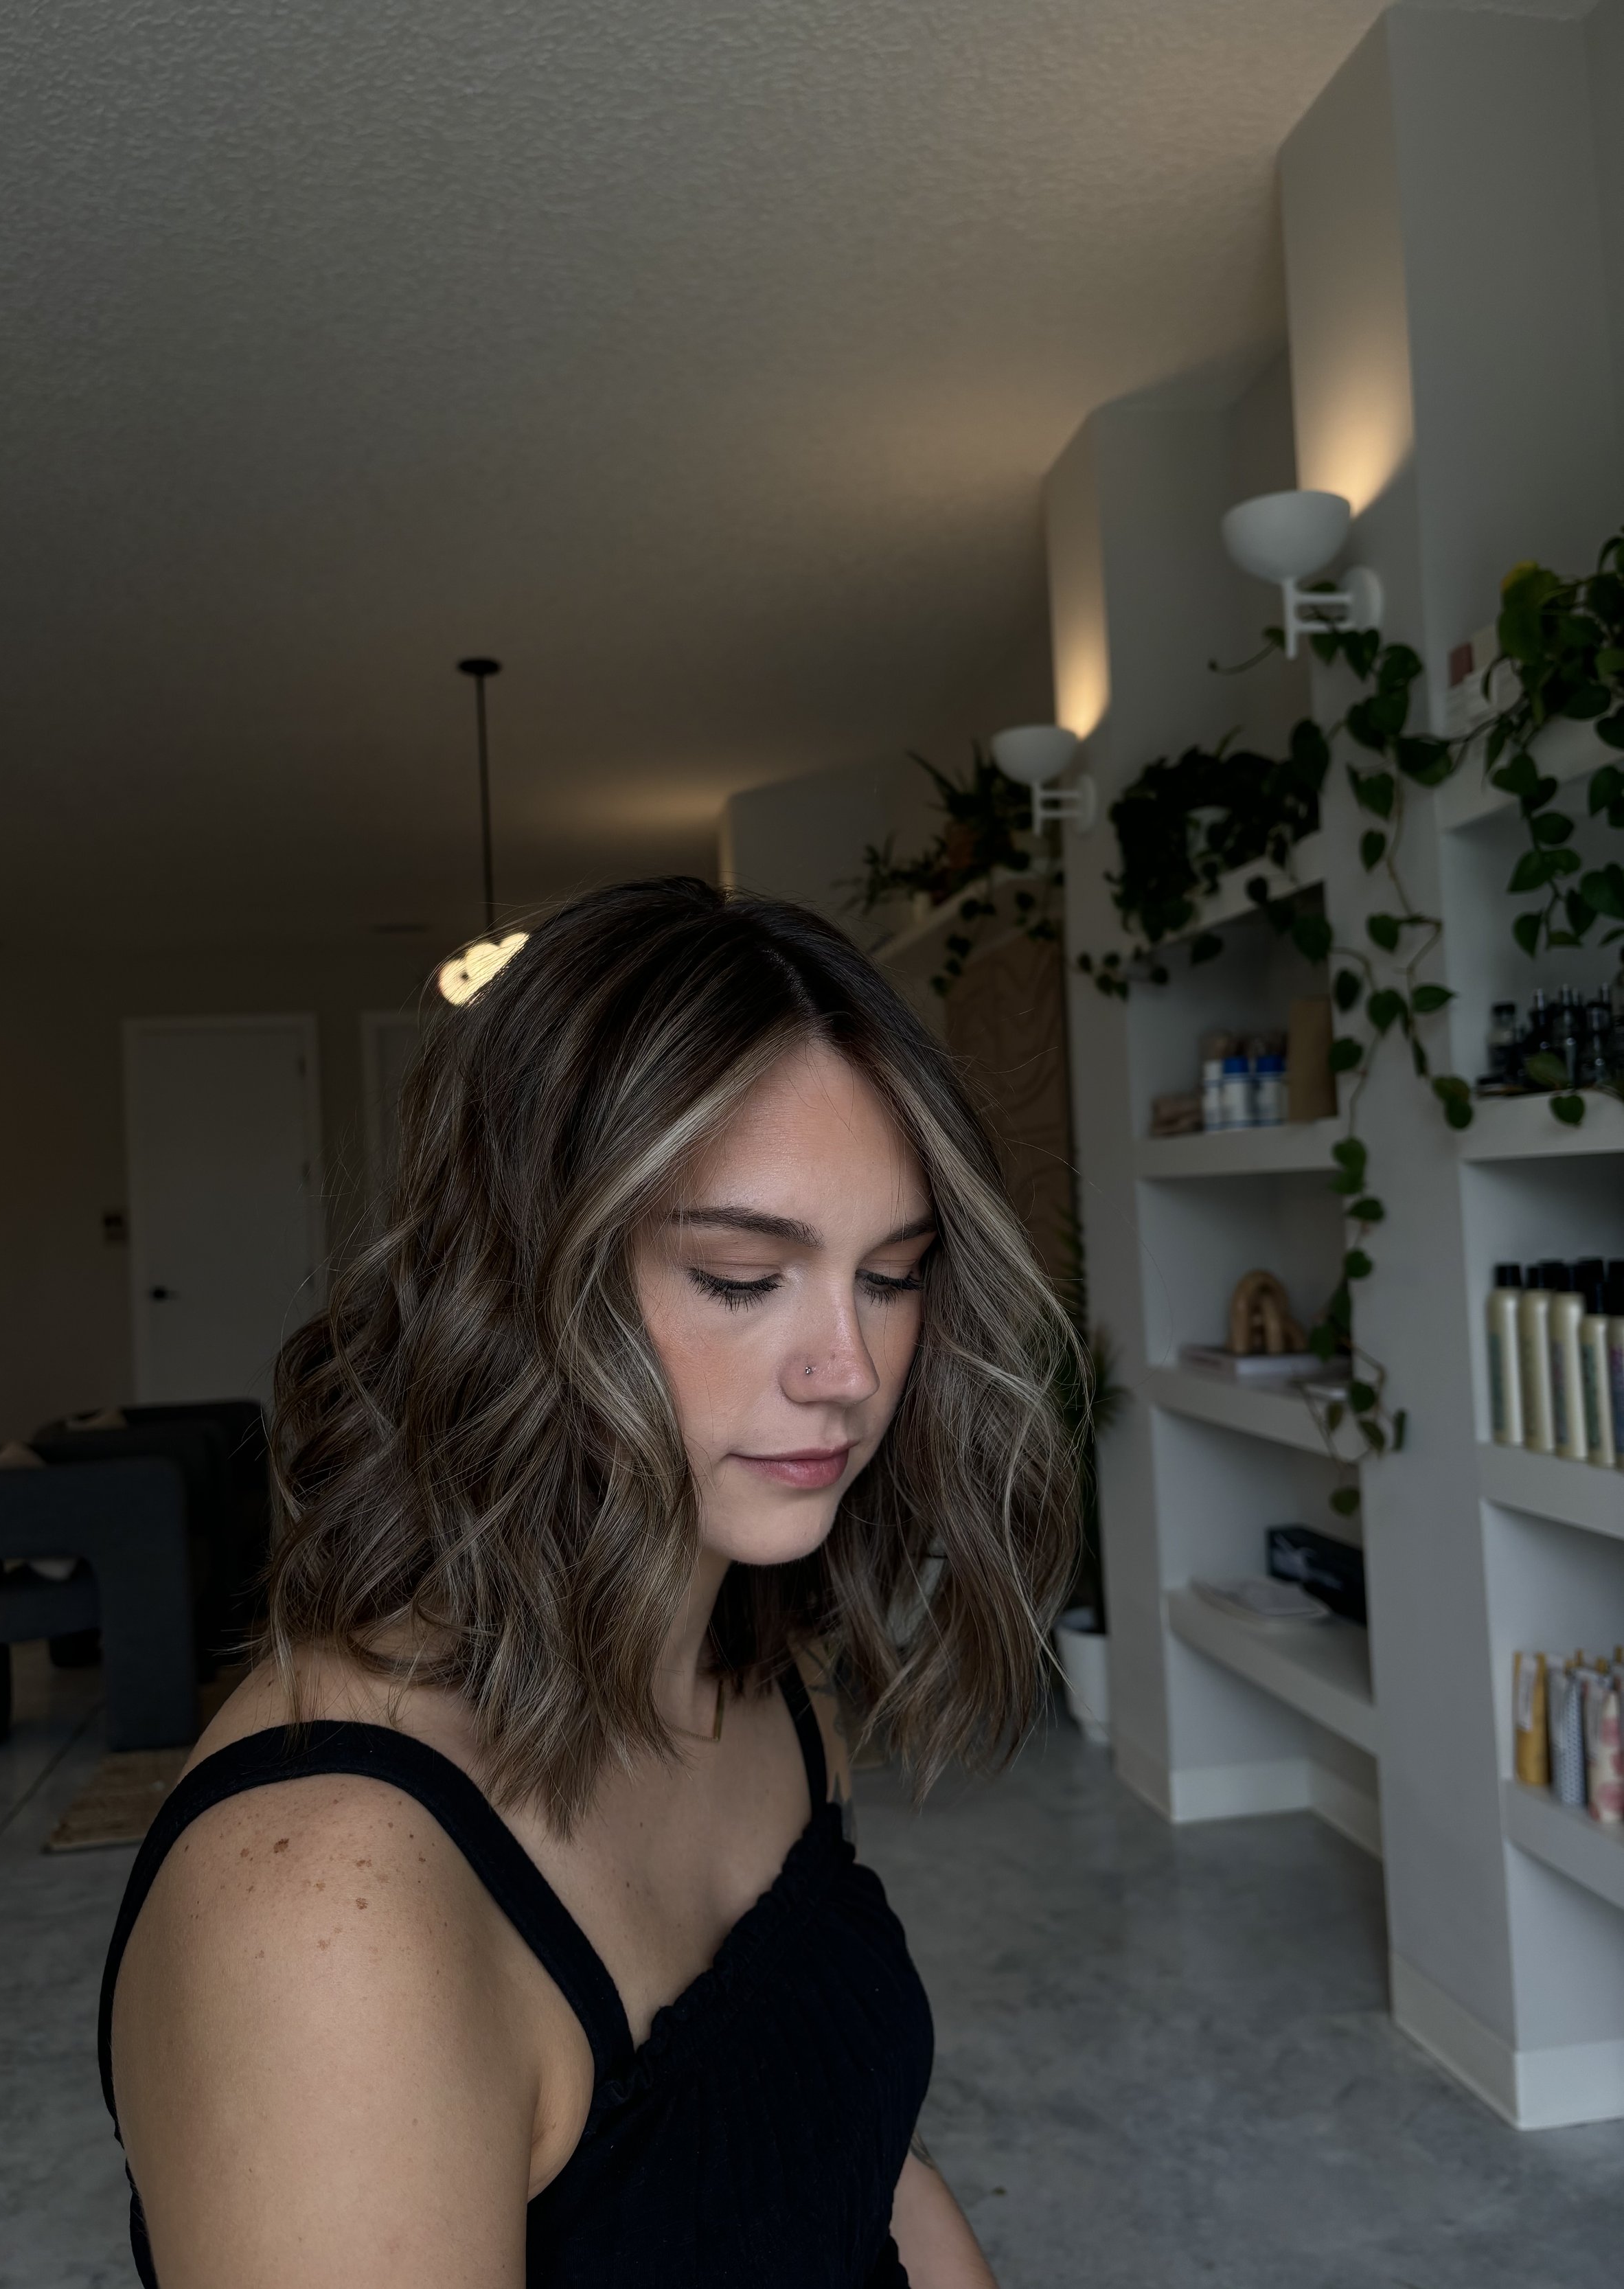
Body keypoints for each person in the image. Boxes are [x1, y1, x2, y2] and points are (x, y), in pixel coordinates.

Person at [100, 877, 1077, 2288]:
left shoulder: (766, 1670)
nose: (850, 1370)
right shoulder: (326, 1912)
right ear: (513, 1279)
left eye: (891, 1274)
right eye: (740, 1275)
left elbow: (851, 2160)